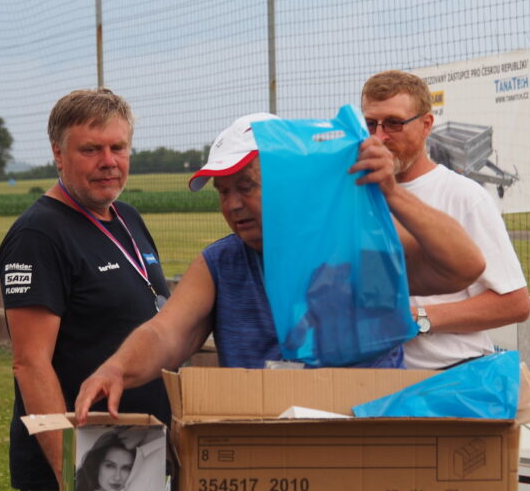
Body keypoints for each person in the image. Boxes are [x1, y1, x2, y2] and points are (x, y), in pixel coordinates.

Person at [74, 112, 486, 423]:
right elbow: (166, 332)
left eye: (246, 186)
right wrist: (117, 368)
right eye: (223, 192)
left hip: (361, 438)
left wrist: (391, 193)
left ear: (290, 183)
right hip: (264, 444)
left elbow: (464, 267)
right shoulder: (220, 264)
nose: (233, 205)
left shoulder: (354, 248)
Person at [0, 88, 171, 491]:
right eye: (91, 149)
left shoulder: (127, 218)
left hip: (141, 456)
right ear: (58, 154)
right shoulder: (38, 235)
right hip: (84, 468)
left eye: (118, 147)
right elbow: (31, 363)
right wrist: (70, 475)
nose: (108, 161)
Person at [361, 70, 530, 369]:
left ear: (426, 124)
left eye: (394, 123)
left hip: (447, 374)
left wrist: (419, 319)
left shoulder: (465, 196)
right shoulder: (356, 192)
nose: (379, 136)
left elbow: (514, 303)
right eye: (370, 123)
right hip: (368, 376)